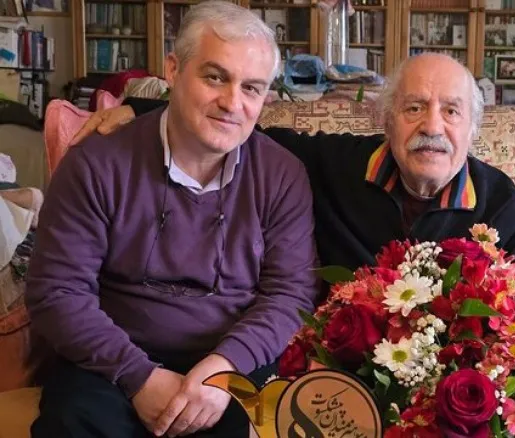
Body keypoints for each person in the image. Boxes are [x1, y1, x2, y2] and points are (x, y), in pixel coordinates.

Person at [25, 2, 319, 437]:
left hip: (233, 364)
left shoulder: (283, 174)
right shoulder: (96, 163)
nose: (232, 103)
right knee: (71, 422)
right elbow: (57, 290)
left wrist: (225, 369)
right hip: (109, 361)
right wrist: (138, 376)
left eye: (251, 88)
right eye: (214, 77)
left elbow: (290, 294)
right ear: (173, 70)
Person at [72, 52, 515, 273]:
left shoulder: (506, 212)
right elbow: (243, 130)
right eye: (414, 107)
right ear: (386, 120)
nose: (432, 126)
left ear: (473, 129)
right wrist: (145, 109)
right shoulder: (337, 164)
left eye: (452, 112)